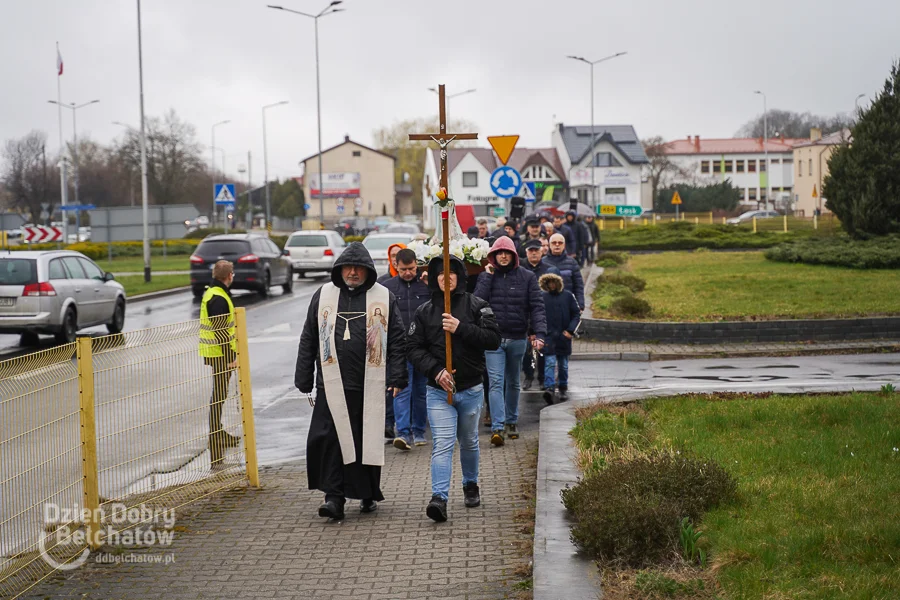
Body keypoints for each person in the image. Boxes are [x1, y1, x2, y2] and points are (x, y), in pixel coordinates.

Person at [295, 242, 408, 520]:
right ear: (340, 269)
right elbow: (309, 335)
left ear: (368, 270)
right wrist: (303, 376)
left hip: (367, 385)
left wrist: (397, 376)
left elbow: (396, 339)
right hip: (331, 385)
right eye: (349, 267)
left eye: (359, 268)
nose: (353, 272)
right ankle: (333, 497)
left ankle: (367, 492)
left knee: (362, 442)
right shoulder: (323, 295)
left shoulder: (383, 296)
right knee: (330, 440)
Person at [408, 255, 501, 523]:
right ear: (434, 278)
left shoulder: (477, 305)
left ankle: (470, 484)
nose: (445, 278)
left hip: (471, 389)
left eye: (451, 273)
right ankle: (439, 498)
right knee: (442, 444)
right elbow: (413, 347)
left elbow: (493, 339)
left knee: (469, 441)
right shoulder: (424, 311)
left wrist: (461, 328)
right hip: (439, 392)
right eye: (440, 274)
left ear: (459, 276)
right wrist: (436, 372)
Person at [474, 236, 546, 446]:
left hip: (517, 338)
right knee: (495, 382)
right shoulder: (487, 276)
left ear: (513, 255)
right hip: (493, 339)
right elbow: (476, 302)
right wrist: (486, 277)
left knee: (513, 381)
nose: (503, 256)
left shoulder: (527, 277)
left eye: (507, 253)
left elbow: (537, 307)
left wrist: (539, 333)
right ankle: (498, 427)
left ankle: (512, 421)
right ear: (493, 256)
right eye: (499, 253)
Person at [381, 248, 430, 450]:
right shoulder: (387, 288)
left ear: (417, 265)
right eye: (403, 270)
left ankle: (419, 431)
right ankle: (403, 433)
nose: (408, 273)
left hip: (423, 348)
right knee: (400, 390)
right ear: (395, 267)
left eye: (411, 269)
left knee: (421, 392)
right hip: (399, 348)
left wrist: (431, 285)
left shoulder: (426, 285)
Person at [198, 260, 242, 465]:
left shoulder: (215, 292)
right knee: (218, 395)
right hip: (219, 354)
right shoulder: (218, 297)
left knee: (220, 394)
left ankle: (218, 431)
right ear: (229, 275)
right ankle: (214, 434)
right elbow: (221, 331)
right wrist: (230, 357)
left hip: (217, 352)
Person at [519, 239, 560, 391]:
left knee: (543, 348)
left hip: (544, 314)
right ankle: (528, 376)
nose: (534, 253)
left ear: (542, 251)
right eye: (531, 251)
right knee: (527, 351)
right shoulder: (520, 269)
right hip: (525, 314)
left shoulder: (550, 270)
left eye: (536, 250)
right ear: (526, 253)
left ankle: (542, 377)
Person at [538, 273, 580, 404]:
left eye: (553, 282)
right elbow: (537, 315)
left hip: (564, 336)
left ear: (558, 283)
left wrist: (570, 330)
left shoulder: (567, 296)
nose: (551, 285)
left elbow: (576, 314)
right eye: (549, 282)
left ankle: (562, 387)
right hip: (549, 336)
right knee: (549, 363)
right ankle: (549, 388)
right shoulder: (543, 297)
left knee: (563, 365)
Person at [544, 233, 585, 311]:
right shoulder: (543, 262)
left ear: (564, 245)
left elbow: (578, 285)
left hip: (567, 304)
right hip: (547, 305)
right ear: (549, 245)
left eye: (560, 243)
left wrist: (580, 304)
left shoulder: (572, 262)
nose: (557, 245)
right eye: (554, 243)